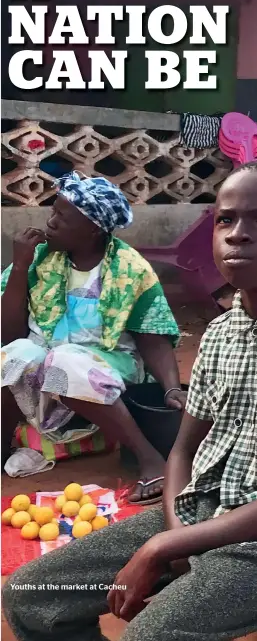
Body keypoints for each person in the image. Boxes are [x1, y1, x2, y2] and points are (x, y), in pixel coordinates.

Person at [3, 162, 257, 641]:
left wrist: (168, 543)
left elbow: (153, 338)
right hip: (202, 510)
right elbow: (184, 450)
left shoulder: (128, 269)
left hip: (248, 542)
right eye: (226, 219)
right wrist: (176, 524)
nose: (239, 235)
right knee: (34, 593)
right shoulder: (223, 333)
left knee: (147, 635)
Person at [1, 172, 185, 504]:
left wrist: (171, 388)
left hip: (105, 373)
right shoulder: (39, 258)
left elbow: (153, 337)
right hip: (45, 374)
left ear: (92, 229)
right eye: (52, 212)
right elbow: (6, 334)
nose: (50, 222)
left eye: (62, 217)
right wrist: (18, 267)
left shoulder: (130, 269)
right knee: (15, 354)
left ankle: (150, 460)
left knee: (66, 360)